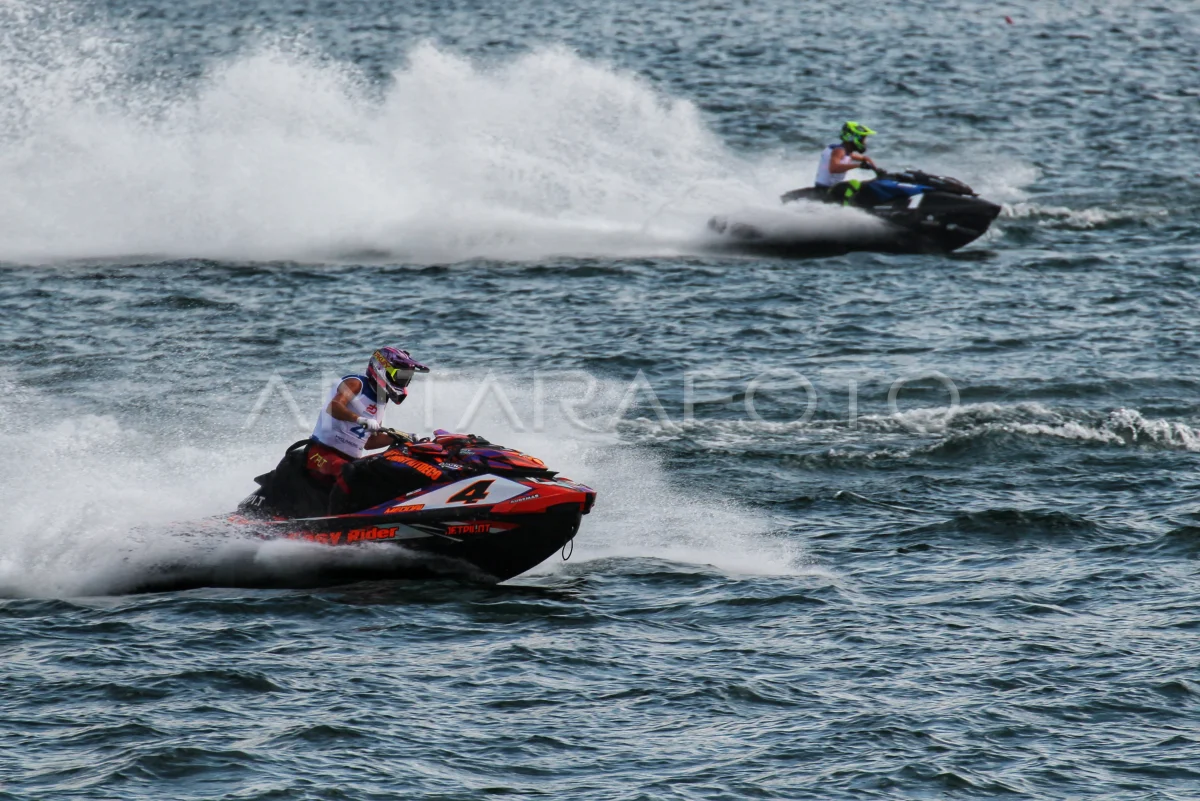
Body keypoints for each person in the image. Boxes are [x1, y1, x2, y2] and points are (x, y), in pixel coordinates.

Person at [305, 347, 429, 487]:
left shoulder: (381, 400)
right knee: (351, 474)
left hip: (348, 461)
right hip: (319, 454)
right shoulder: (356, 383)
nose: (403, 382)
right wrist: (359, 419)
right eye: (401, 376)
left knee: (383, 474)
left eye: (407, 378)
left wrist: (401, 437)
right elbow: (334, 407)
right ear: (382, 369)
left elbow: (370, 442)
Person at [814, 121, 878, 204]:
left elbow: (865, 158)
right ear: (853, 138)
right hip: (825, 190)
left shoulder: (846, 152)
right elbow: (834, 168)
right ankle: (845, 207)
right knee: (854, 184)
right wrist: (859, 165)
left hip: (832, 188)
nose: (864, 142)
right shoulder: (839, 150)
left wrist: (877, 171)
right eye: (862, 139)